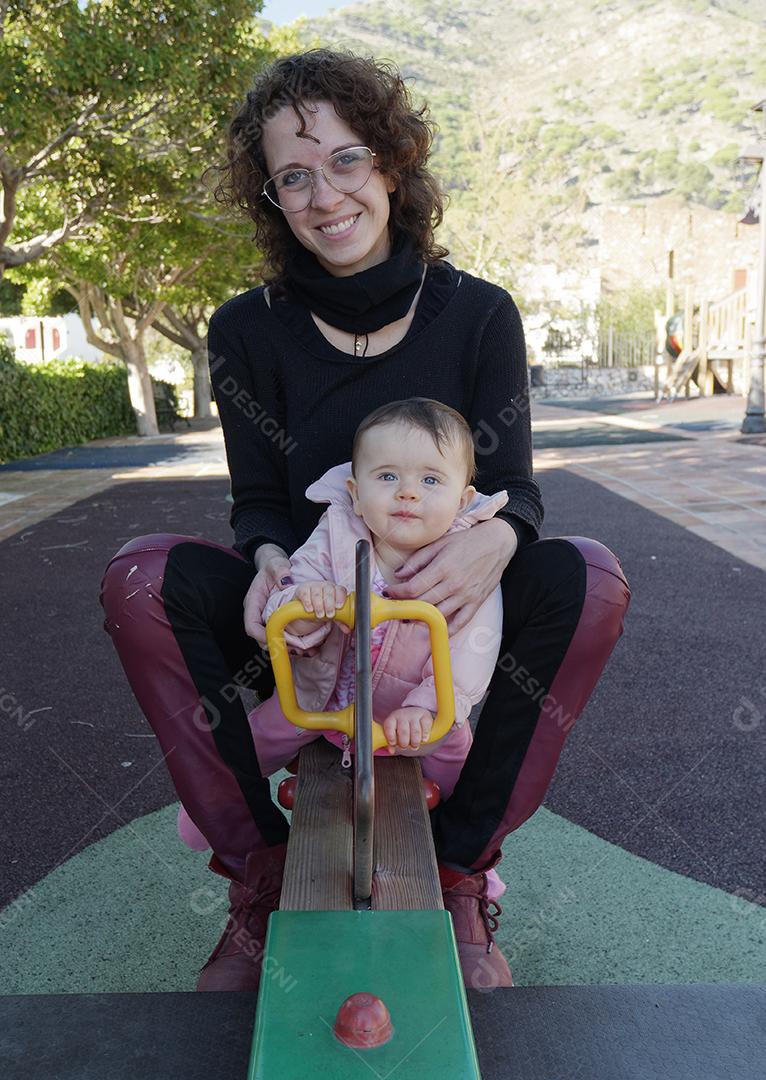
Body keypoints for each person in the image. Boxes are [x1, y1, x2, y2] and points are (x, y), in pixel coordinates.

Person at [99, 47, 631, 995]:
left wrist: (494, 543)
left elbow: (515, 487)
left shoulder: (477, 314)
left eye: (347, 159)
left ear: (391, 163)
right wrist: (269, 566)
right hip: (311, 606)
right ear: (272, 197)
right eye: (293, 175)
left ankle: (463, 870)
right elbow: (260, 501)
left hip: (441, 613)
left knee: (586, 576)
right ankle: (261, 876)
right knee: (141, 576)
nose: (324, 194)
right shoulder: (246, 328)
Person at [176, 398, 510, 908]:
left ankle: (468, 874)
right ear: (355, 491)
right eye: (388, 476)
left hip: (413, 719)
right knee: (250, 740)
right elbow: (287, 602)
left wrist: (430, 708)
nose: (407, 493)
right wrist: (307, 604)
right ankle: (214, 814)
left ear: (464, 499)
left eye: (431, 481)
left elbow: (473, 648)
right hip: (321, 702)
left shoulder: (463, 561)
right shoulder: (335, 535)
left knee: (466, 775)